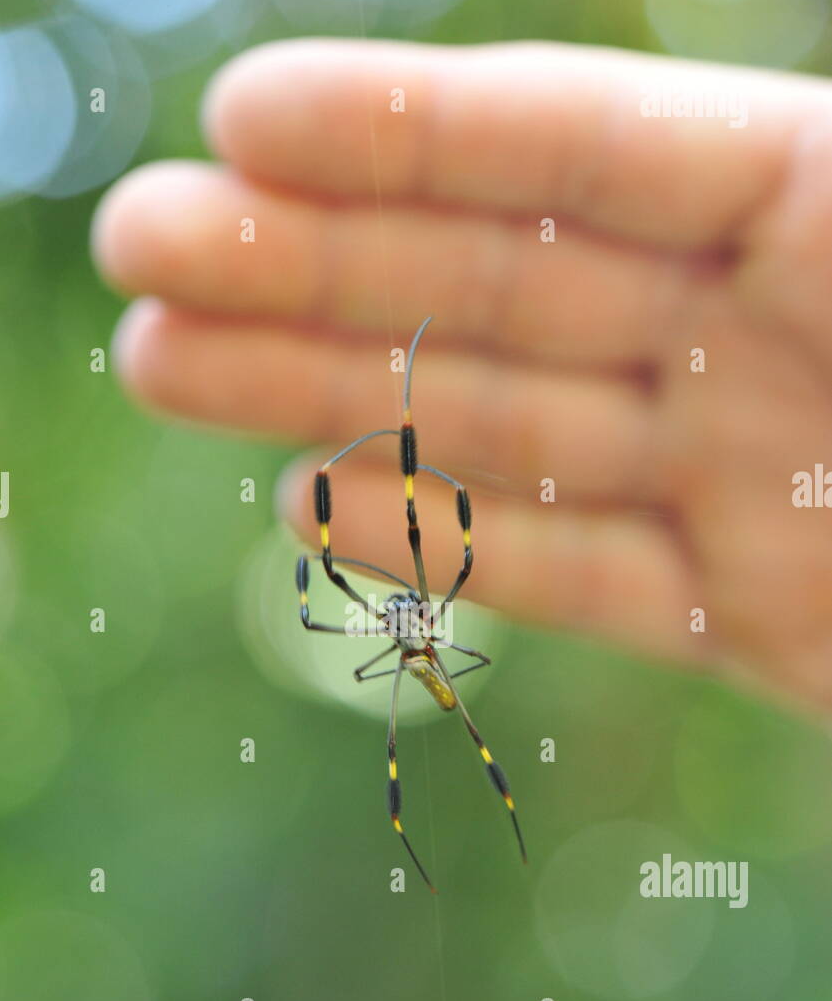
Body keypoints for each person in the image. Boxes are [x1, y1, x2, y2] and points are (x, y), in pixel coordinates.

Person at [92, 38, 832, 715]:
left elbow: (448, 557)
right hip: (424, 667)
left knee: (405, 536)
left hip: (428, 651)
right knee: (382, 579)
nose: (403, 619)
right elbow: (371, 585)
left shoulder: (419, 627)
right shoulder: (414, 642)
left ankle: (493, 805)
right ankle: (426, 833)